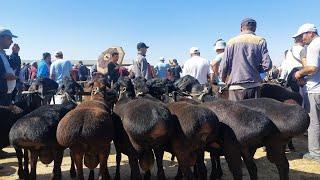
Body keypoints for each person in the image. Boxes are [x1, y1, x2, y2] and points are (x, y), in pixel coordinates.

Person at [220, 18, 272, 101]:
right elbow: (268, 65)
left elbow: (224, 65)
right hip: (254, 86)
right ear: (255, 28)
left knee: (235, 113)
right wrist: (256, 70)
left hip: (235, 87)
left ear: (241, 28)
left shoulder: (231, 42)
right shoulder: (260, 41)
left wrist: (223, 79)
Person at [294, 23, 320, 163]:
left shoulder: (314, 46)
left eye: (303, 35)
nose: (302, 38)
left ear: (310, 33)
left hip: (316, 90)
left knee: (314, 122)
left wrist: (299, 73)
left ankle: (315, 153)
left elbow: (312, 68)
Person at [0, 28, 20, 106]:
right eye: (9, 38)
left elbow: (13, 65)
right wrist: (3, 76)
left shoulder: (3, 54)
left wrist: (15, 53)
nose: (11, 42)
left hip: (6, 95)